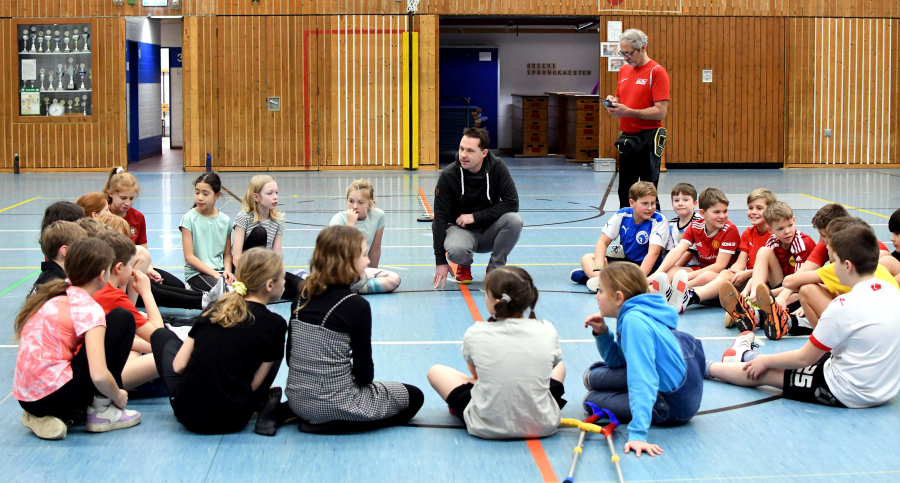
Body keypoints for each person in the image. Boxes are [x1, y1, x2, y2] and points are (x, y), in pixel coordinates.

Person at [708, 224, 900, 410]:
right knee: (819, 357)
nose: (832, 266)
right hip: (884, 390)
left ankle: (708, 365)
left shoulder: (843, 306)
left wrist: (764, 361)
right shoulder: (893, 291)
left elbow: (803, 359)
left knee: (763, 373)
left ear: (847, 265)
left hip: (847, 392)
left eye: (834, 262)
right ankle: (745, 355)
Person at [286, 226, 423, 433]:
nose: (368, 262)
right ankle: (339, 422)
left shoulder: (300, 297)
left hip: (297, 401)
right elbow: (364, 375)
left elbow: (290, 358)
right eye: (363, 255)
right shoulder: (355, 305)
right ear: (347, 262)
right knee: (414, 396)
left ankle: (305, 414)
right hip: (334, 404)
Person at [150, 248, 289, 435]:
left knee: (160, 335)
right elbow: (253, 386)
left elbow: (179, 366)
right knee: (274, 348)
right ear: (270, 285)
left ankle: (192, 396)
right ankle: (257, 402)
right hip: (234, 418)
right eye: (283, 278)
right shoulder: (275, 324)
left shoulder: (214, 310)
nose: (286, 282)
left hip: (187, 414)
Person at [13, 238, 141, 440]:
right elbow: (98, 375)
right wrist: (118, 394)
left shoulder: (56, 295)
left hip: (26, 397)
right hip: (53, 397)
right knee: (121, 319)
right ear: (102, 275)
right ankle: (102, 411)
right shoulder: (89, 309)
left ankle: (43, 415)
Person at [427, 266, 566, 439]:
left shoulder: (476, 332)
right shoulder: (547, 329)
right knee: (560, 367)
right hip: (543, 425)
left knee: (436, 371)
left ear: (495, 300)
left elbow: (476, 375)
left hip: (485, 426)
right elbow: (550, 367)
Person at [583, 263, 704, 457]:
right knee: (592, 377)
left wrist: (638, 433)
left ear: (618, 298)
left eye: (601, 291)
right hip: (685, 390)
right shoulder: (638, 312)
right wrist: (603, 334)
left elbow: (643, 377)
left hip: (672, 405)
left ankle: (647, 411)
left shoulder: (634, 322)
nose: (597, 296)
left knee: (591, 399)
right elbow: (618, 363)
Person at [432, 127, 522, 287]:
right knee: (456, 250)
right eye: (461, 149)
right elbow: (439, 219)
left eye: (470, 151)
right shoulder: (449, 175)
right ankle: (464, 265)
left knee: (514, 220)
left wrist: (475, 217)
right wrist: (440, 260)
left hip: (489, 230)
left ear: (484, 153)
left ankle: (495, 270)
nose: (463, 155)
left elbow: (512, 203)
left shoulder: (497, 167)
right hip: (461, 231)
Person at [719, 201, 815, 339]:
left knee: (794, 300)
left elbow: (797, 284)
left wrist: (767, 296)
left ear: (794, 220)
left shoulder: (803, 244)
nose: (787, 231)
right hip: (781, 286)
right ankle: (753, 300)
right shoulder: (772, 241)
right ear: (770, 230)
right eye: (781, 228)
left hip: (797, 290)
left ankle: (754, 312)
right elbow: (759, 271)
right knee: (764, 251)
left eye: (790, 225)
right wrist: (750, 292)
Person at [676, 189, 775, 314]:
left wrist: (747, 273)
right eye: (750, 208)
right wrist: (732, 272)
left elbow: (774, 269)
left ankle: (690, 296)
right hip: (749, 280)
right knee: (713, 275)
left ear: (770, 210)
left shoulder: (775, 235)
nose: (753, 212)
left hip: (765, 283)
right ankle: (679, 292)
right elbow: (740, 263)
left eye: (759, 208)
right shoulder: (747, 233)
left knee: (721, 279)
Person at [603, 29, 670, 208]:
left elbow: (661, 112)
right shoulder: (624, 70)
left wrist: (630, 111)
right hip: (628, 136)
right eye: (622, 53)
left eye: (628, 53)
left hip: (649, 137)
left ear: (642, 48)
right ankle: (627, 232)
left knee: (648, 191)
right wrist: (613, 102)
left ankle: (654, 232)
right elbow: (620, 98)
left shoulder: (656, 72)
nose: (625, 57)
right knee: (625, 190)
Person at [649, 188, 740, 312]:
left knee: (705, 277)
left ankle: (673, 292)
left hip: (719, 274)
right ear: (702, 213)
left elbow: (719, 266)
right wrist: (657, 273)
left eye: (725, 211)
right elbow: (677, 251)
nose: (722, 216)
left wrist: (686, 277)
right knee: (673, 270)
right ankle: (648, 291)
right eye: (717, 212)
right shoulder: (695, 225)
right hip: (702, 268)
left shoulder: (729, 230)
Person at [91, 231, 161, 390]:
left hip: (86, 367)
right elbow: (159, 336)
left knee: (138, 327)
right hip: (97, 380)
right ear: (119, 267)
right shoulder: (112, 296)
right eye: (131, 264)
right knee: (168, 355)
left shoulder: (93, 286)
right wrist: (146, 292)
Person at [571, 181, 668, 291]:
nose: (650, 208)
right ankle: (601, 280)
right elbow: (602, 242)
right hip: (627, 263)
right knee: (587, 258)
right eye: (645, 203)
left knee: (580, 274)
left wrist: (639, 278)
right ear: (632, 203)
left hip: (648, 268)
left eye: (653, 203)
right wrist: (598, 268)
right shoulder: (623, 214)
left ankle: (595, 281)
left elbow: (653, 253)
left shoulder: (659, 220)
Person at [103, 167, 182, 290]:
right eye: (123, 198)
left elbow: (143, 248)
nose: (127, 203)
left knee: (176, 285)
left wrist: (149, 268)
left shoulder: (138, 217)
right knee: (154, 289)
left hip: (137, 265)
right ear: (111, 193)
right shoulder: (104, 217)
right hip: (116, 272)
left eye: (132, 198)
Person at [232, 174, 303, 300]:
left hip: (265, 272)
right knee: (260, 232)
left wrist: (275, 277)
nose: (275, 197)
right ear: (256, 197)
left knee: (304, 288)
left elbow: (276, 256)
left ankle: (300, 276)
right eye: (269, 193)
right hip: (245, 270)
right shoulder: (244, 218)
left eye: (276, 192)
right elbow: (236, 257)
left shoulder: (278, 220)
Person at [329, 179, 401, 294]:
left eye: (360, 202)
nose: (355, 206)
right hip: (338, 271)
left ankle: (352, 289)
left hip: (359, 273)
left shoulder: (378, 216)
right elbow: (336, 256)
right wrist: (350, 226)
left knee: (394, 279)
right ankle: (349, 288)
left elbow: (375, 249)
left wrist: (374, 273)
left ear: (371, 204)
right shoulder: (338, 220)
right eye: (351, 201)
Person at [180, 172, 233, 298]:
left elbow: (226, 254)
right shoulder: (189, 219)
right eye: (197, 192)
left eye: (205, 194)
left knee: (243, 291)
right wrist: (215, 275)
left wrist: (228, 272)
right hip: (196, 273)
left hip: (219, 271)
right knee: (225, 294)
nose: (200, 198)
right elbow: (189, 257)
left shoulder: (225, 220)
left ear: (217, 195)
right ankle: (193, 287)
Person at [28, 221, 87, 297]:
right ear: (65, 251)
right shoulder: (57, 284)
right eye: (81, 247)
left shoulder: (47, 275)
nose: (85, 251)